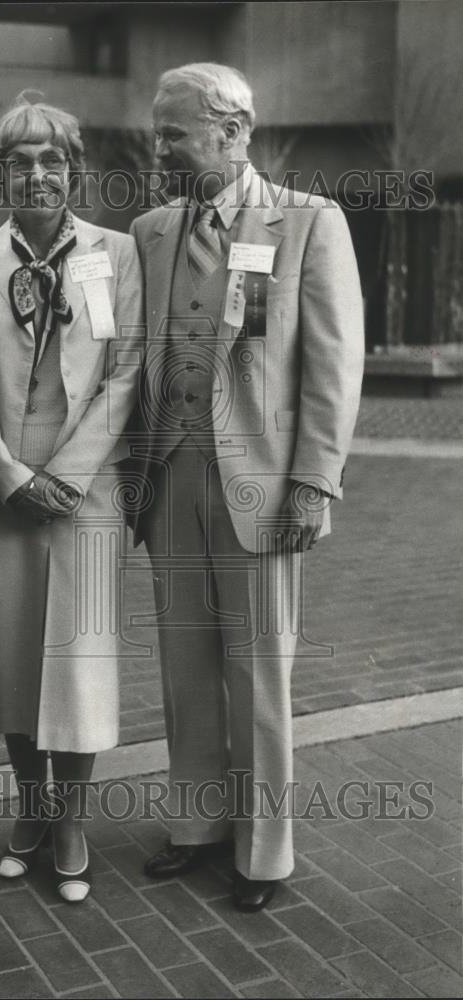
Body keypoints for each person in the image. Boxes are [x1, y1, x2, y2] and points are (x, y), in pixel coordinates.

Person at [126, 63, 364, 910]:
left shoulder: (306, 222)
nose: (158, 147)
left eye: (172, 132)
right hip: (168, 477)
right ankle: (194, 825)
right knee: (184, 663)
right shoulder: (149, 231)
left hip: (262, 483)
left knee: (258, 671)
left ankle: (263, 854)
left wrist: (313, 482)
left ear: (230, 133)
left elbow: (334, 364)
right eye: (157, 131)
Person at [0, 96, 143, 902]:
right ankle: (30, 805)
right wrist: (9, 474)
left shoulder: (114, 256)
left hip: (85, 488)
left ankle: (71, 822)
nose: (37, 172)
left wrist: (70, 470)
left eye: (52, 158)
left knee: (81, 662)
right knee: (19, 659)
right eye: (20, 160)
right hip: (7, 490)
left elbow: (126, 370)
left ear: (74, 169)